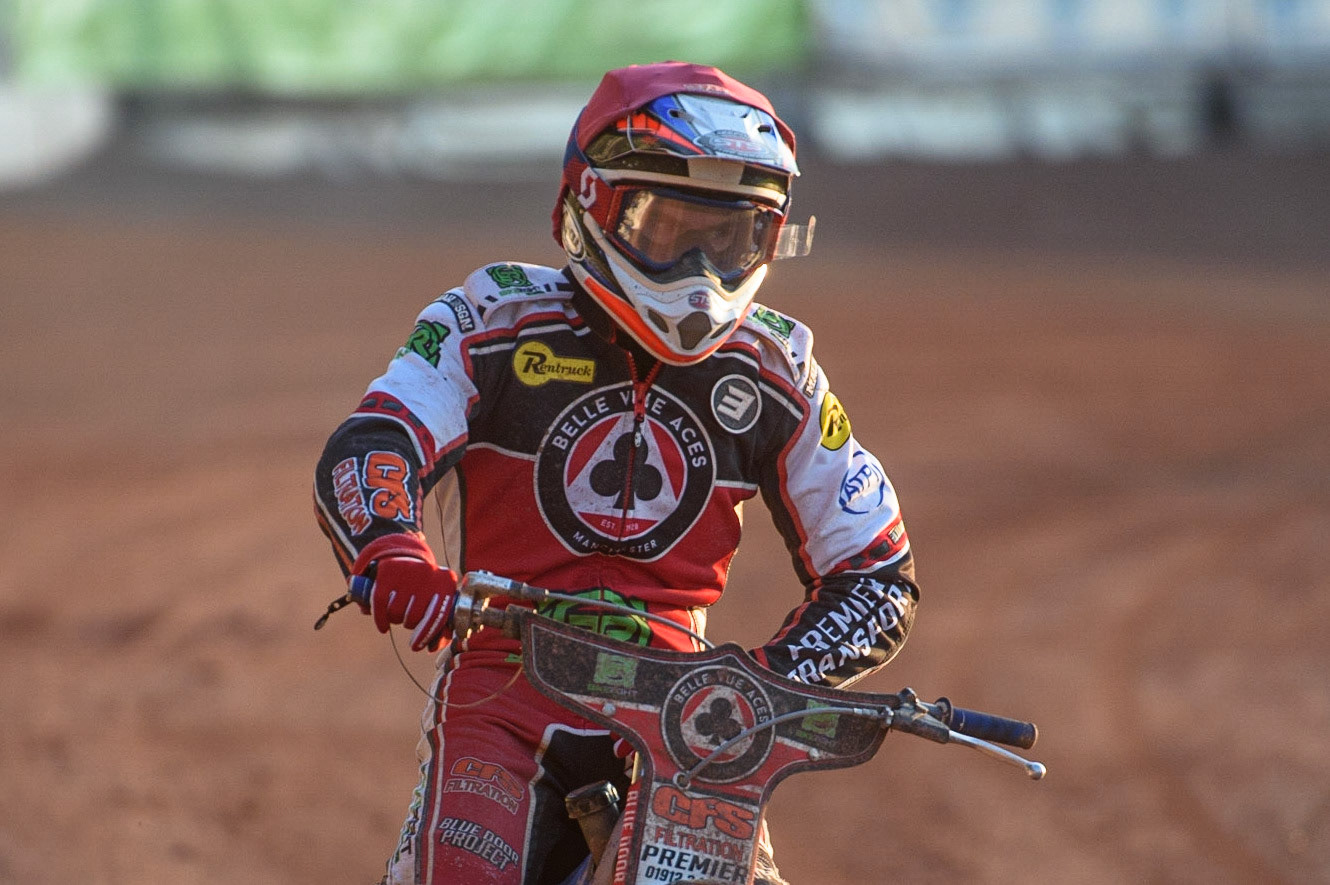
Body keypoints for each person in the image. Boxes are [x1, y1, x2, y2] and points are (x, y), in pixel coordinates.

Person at [313, 60, 919, 885]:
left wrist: (768, 680)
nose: (699, 274)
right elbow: (376, 440)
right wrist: (394, 551)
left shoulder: (778, 367)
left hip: (691, 715)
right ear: (590, 206)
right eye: (669, 230)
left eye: (731, 237)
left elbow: (878, 571)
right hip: (508, 684)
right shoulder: (493, 315)